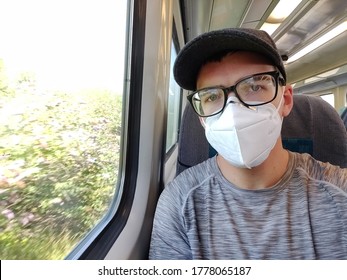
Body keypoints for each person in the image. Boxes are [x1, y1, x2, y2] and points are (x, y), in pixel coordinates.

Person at [149, 28, 347, 259]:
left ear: (285, 100)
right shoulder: (179, 203)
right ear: (202, 119)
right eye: (212, 96)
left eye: (254, 87)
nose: (234, 110)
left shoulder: (339, 192)